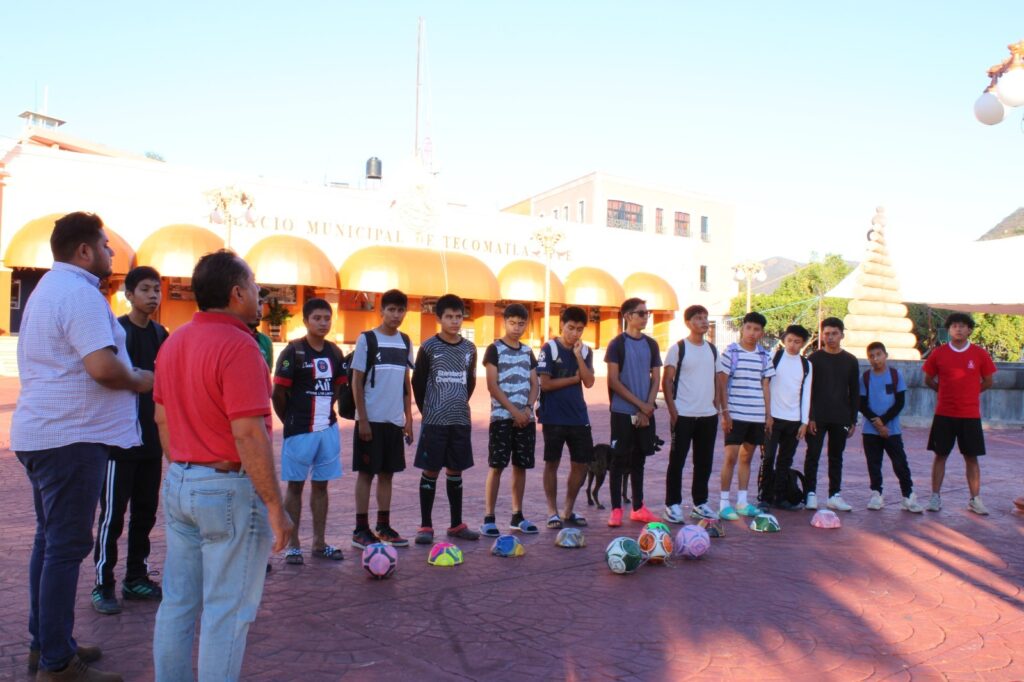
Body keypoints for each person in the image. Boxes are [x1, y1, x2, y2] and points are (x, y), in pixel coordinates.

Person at [13, 212, 154, 681]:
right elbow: (103, 368)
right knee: (66, 547)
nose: (112, 253)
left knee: (50, 541)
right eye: (106, 246)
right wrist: (140, 380)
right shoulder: (79, 293)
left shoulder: (48, 289)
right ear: (85, 251)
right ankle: (56, 662)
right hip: (70, 438)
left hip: (47, 434)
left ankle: (47, 644)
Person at [152, 250, 292, 681]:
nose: (259, 294)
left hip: (181, 480)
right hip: (228, 487)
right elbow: (248, 433)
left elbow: (161, 418)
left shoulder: (174, 342)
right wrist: (275, 506)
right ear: (236, 293)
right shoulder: (239, 346)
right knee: (227, 611)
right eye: (253, 286)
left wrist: (186, 467)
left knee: (178, 603)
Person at [92, 266, 168, 616]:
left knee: (145, 513)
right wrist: (136, 377)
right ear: (129, 295)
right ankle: (102, 584)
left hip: (150, 440)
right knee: (112, 517)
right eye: (146, 289)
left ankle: (135, 578)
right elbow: (104, 377)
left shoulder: (161, 334)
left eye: (157, 290)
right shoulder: (116, 332)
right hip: (117, 441)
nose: (153, 296)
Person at [272, 298, 346, 563]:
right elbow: (278, 394)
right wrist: (290, 420)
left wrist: (326, 414)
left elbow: (338, 387)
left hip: (328, 430)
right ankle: (293, 546)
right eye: (317, 318)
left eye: (327, 318)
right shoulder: (293, 352)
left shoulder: (335, 352)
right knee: (295, 487)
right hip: (299, 432)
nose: (323, 323)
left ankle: (319, 543)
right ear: (305, 321)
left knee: (321, 486)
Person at [411, 294, 480, 544]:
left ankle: (456, 524)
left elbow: (470, 382)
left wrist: (456, 403)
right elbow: (418, 383)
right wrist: (429, 410)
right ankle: (425, 526)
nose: (454, 321)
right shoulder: (429, 347)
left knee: (455, 470)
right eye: (449, 317)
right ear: (439, 318)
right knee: (431, 470)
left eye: (458, 316)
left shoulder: (469, 349)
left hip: (460, 419)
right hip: (434, 421)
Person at [350, 289, 415, 549]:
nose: (396, 315)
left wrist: (408, 418)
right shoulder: (367, 339)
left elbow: (406, 383)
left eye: (401, 310)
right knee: (366, 474)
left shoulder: (406, 341)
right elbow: (356, 381)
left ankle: (383, 526)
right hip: (371, 420)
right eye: (391, 310)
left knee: (387, 474)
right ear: (381, 311)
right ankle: (360, 529)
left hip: (394, 422)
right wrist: (363, 420)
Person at [922, 313, 997, 514]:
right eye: (954, 326)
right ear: (949, 330)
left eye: (963, 326)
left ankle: (975, 499)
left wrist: (971, 393)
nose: (958, 329)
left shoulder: (980, 354)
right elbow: (928, 379)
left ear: (969, 330)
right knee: (940, 456)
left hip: (970, 415)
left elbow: (988, 381)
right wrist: (943, 392)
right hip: (944, 414)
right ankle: (935, 497)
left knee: (971, 458)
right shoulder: (938, 353)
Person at [480, 303, 540, 537]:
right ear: (504, 322)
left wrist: (527, 409)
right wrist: (514, 412)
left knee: (520, 466)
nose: (516, 328)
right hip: (502, 418)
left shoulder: (527, 351)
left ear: (527, 325)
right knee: (497, 466)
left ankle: (517, 515)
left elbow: (535, 384)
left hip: (525, 419)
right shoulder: (494, 349)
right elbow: (492, 385)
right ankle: (489, 518)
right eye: (512, 323)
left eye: (521, 323)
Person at [537, 306, 596, 529]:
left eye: (579, 329)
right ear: (562, 325)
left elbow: (589, 382)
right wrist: (573, 379)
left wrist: (578, 356)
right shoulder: (549, 348)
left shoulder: (585, 351)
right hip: (553, 417)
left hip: (579, 417)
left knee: (581, 464)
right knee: (552, 463)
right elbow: (545, 384)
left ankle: (568, 510)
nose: (574, 333)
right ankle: (552, 511)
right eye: (571, 328)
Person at [605, 298, 662, 526]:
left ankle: (638, 507)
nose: (645, 317)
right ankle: (616, 509)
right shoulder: (616, 344)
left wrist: (647, 408)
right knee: (618, 460)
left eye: (647, 313)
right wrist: (640, 405)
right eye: (641, 313)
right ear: (628, 316)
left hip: (646, 412)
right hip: (622, 412)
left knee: (639, 460)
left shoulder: (652, 344)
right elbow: (613, 380)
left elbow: (656, 378)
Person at [662, 304, 720, 523]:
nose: (703, 321)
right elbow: (667, 380)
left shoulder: (712, 350)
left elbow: (717, 379)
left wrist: (716, 407)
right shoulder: (678, 348)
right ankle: (672, 504)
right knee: (677, 461)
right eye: (698, 318)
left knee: (704, 462)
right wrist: (673, 410)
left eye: (705, 317)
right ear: (688, 323)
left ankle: (700, 503)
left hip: (708, 416)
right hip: (683, 414)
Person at [716, 311, 775, 520]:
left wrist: (768, 415)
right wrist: (725, 413)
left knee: (746, 458)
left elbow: (766, 386)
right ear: (742, 328)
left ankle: (742, 502)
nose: (751, 332)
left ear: (762, 333)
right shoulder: (730, 353)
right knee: (730, 457)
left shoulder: (765, 356)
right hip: (735, 413)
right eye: (748, 327)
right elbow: (722, 384)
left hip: (756, 415)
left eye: (756, 329)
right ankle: (724, 503)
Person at [802, 317, 860, 512]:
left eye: (834, 333)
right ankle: (810, 493)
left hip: (841, 417)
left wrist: (853, 419)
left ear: (842, 335)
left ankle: (834, 495)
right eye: (827, 333)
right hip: (817, 417)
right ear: (822, 336)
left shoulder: (850, 360)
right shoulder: (813, 359)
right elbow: (807, 390)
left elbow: (854, 391)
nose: (830, 337)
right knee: (813, 455)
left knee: (836, 457)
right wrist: (809, 416)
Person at [860, 341, 923, 513]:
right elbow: (862, 404)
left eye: (878, 355)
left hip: (892, 430)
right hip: (870, 431)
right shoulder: (865, 377)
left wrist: (883, 421)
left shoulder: (895, 375)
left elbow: (900, 402)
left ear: (885, 355)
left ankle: (908, 495)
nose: (875, 359)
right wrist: (877, 423)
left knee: (900, 463)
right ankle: (876, 493)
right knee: (874, 463)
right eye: (871, 356)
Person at [760, 324, 812, 511]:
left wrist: (804, 422)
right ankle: (765, 497)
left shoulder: (806, 365)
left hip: (794, 420)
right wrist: (767, 415)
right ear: (784, 340)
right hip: (773, 418)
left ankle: (780, 497)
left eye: (797, 341)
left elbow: (806, 394)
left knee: (785, 460)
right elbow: (765, 385)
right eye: (789, 340)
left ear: (803, 343)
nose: (792, 344)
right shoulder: (773, 357)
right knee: (768, 458)